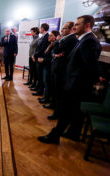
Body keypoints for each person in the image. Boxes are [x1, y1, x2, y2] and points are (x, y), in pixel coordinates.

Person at [38, 15, 102, 144]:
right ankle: (73, 133)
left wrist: (95, 79)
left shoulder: (89, 41)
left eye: (77, 24)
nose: (74, 27)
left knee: (65, 111)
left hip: (76, 85)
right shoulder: (83, 40)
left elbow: (90, 65)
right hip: (74, 82)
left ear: (87, 25)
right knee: (74, 111)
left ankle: (55, 136)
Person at [46, 22, 78, 119]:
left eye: (64, 28)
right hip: (56, 68)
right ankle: (54, 107)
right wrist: (56, 50)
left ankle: (57, 113)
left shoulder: (71, 39)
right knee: (55, 91)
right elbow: (55, 52)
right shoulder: (64, 39)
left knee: (59, 93)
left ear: (71, 29)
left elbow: (56, 50)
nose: (62, 30)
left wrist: (56, 43)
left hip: (61, 70)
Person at [37, 30, 60, 105]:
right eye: (49, 35)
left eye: (51, 35)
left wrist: (44, 59)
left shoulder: (55, 45)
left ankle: (47, 98)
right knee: (45, 82)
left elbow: (52, 58)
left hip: (49, 67)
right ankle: (45, 97)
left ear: (55, 37)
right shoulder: (50, 44)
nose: (49, 37)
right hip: (45, 65)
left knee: (47, 83)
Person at [32, 23, 50, 95]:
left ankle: (40, 91)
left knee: (41, 77)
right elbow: (38, 48)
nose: (39, 29)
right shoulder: (43, 36)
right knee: (38, 75)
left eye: (40, 28)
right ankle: (38, 89)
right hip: (38, 57)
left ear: (43, 28)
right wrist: (35, 55)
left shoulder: (46, 37)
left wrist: (35, 55)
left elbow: (42, 49)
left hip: (41, 59)